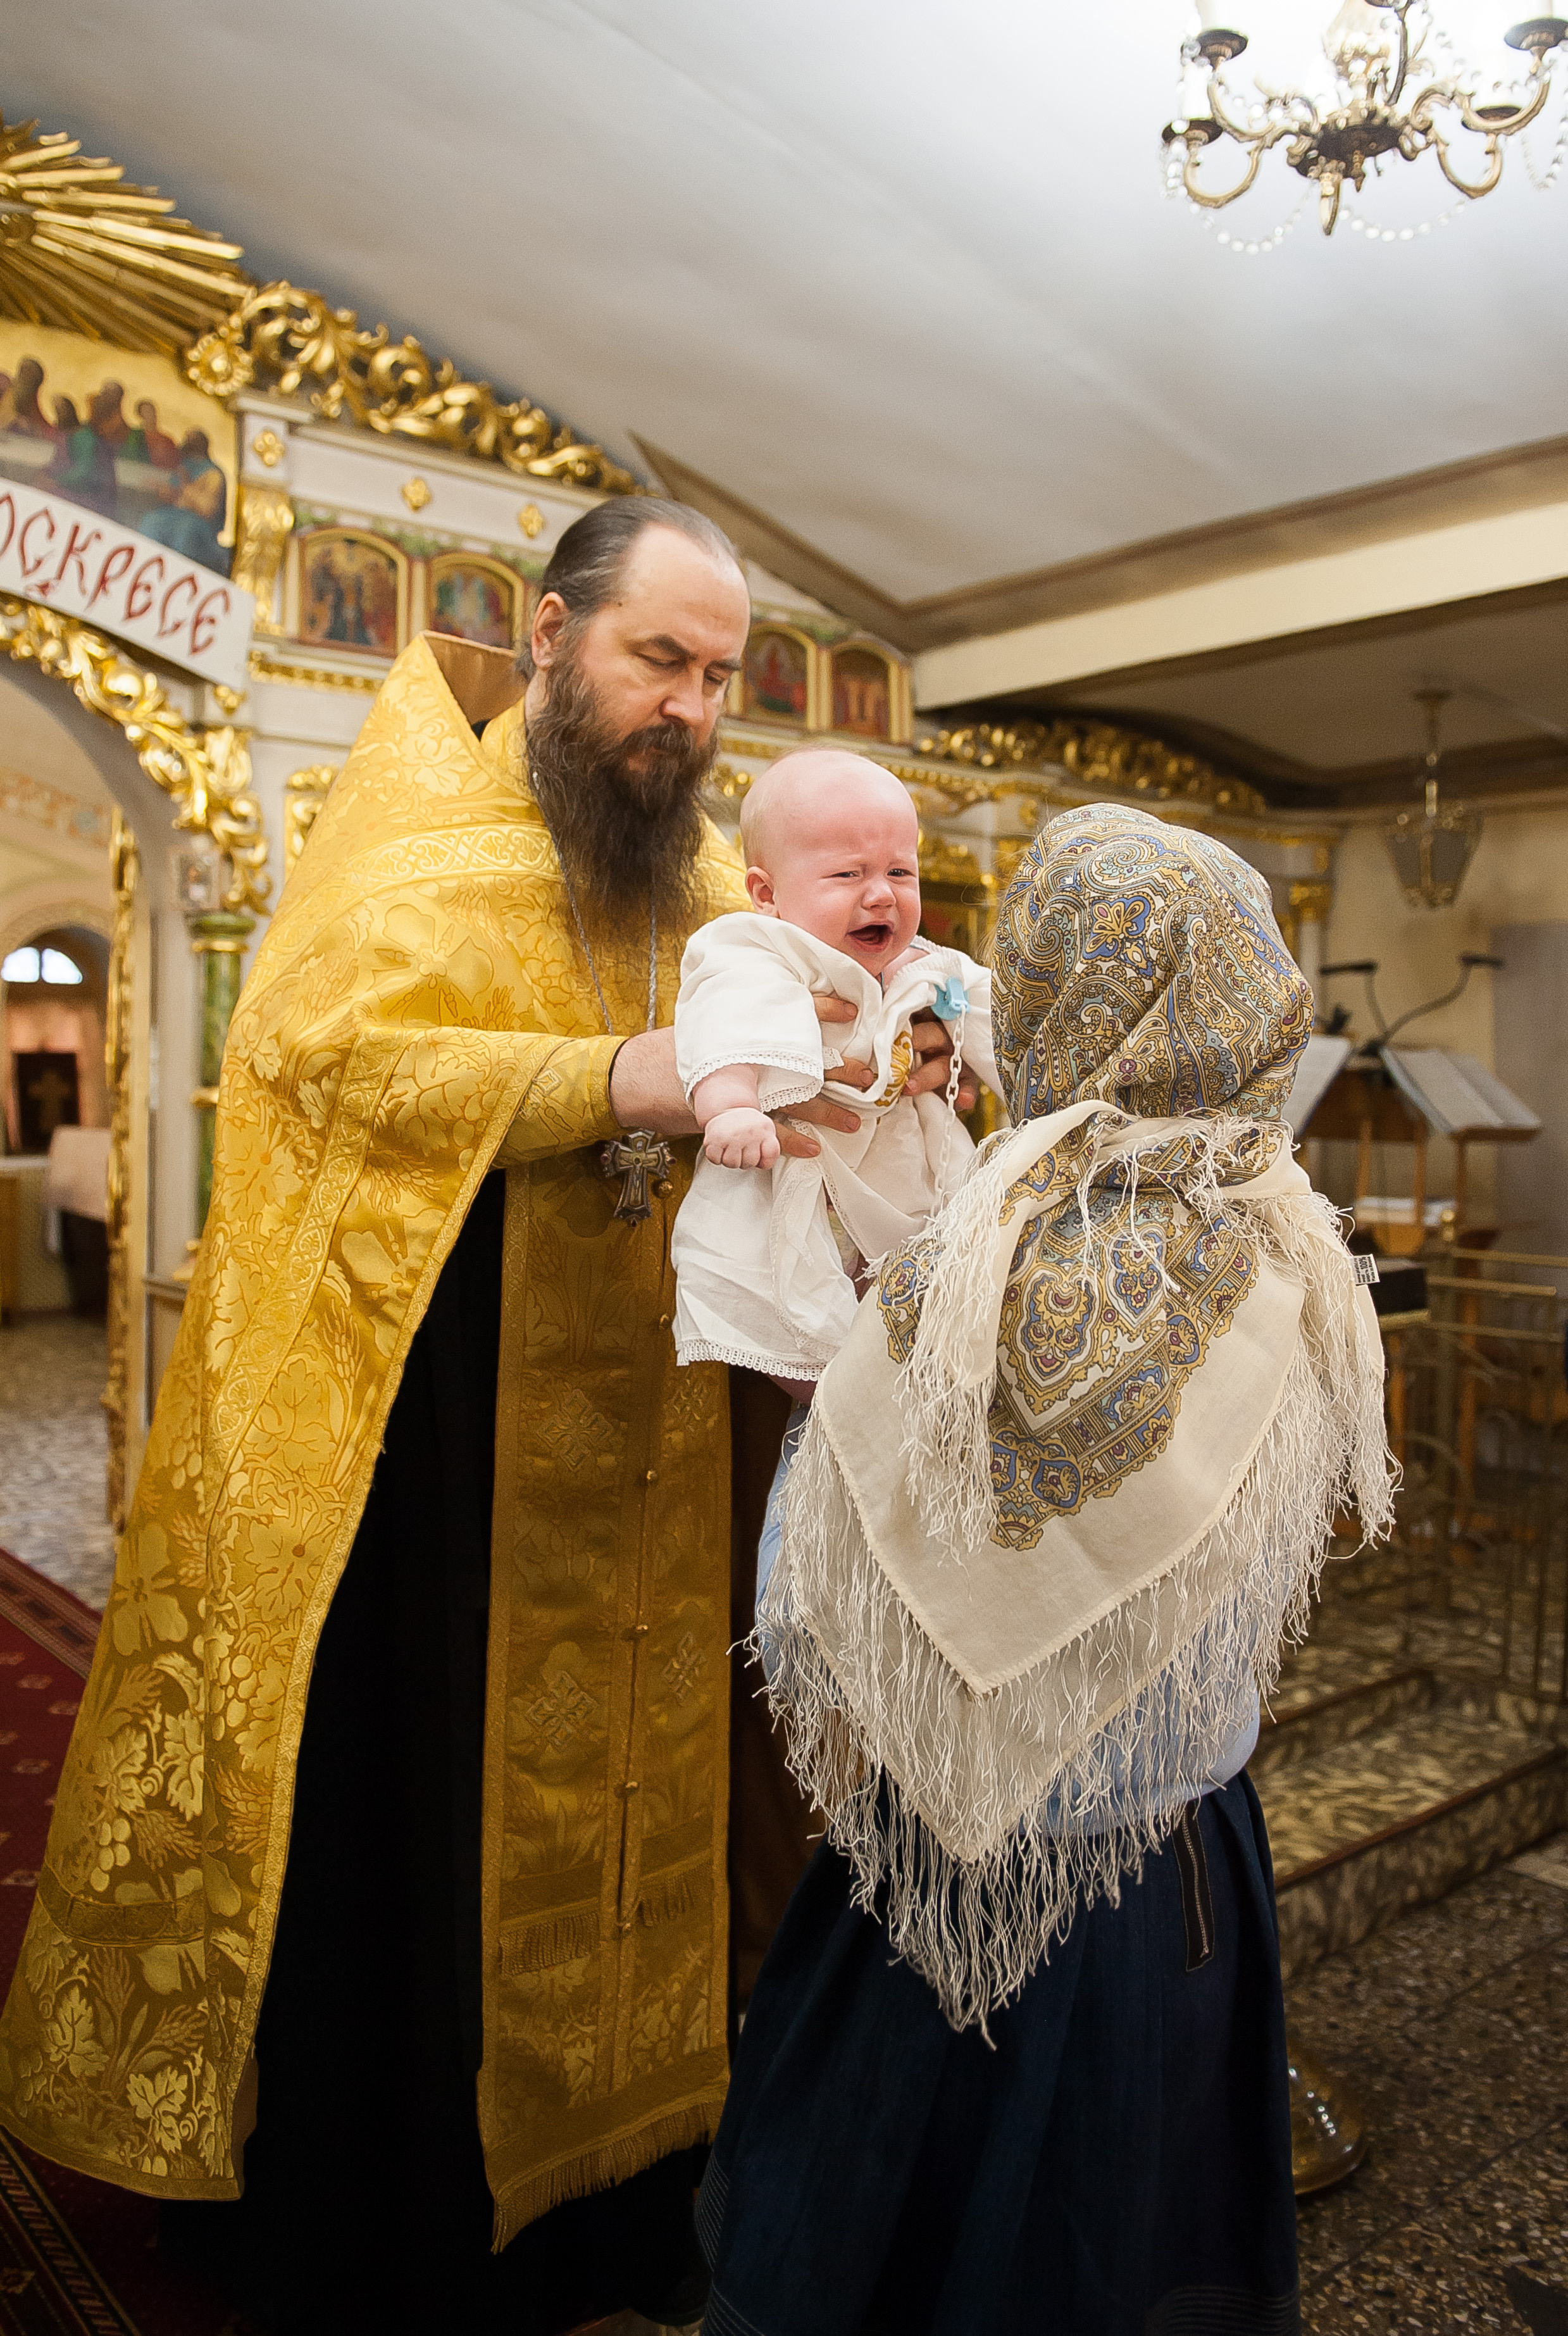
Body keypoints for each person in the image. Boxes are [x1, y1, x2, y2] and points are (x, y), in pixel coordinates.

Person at [0, 497, 968, 2336]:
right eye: (656, 660)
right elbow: (314, 1055)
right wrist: (616, 1076)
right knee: (418, 1842)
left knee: (641, 1840)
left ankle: (613, 2213)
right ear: (549, 635)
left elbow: (780, 1044)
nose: (689, 708)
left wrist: (878, 1057)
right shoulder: (414, 824)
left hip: (646, 1466)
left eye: (718, 675)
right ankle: (398, 2232)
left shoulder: (702, 874)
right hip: (435, 1451)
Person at [699, 803, 1395, 2336]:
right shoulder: (1293, 1252)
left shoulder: (968, 1248)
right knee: (1119, 2242)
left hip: (923, 1877)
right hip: (1165, 1875)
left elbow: (799, 1612)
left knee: (903, 2241)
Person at [672, 747, 998, 1398]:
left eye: (901, 871)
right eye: (848, 873)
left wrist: (1031, 1070)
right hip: (796, 1175)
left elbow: (999, 1017)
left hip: (904, 1176)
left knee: (938, 1315)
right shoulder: (760, 951)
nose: (881, 893)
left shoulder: (925, 962)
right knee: (809, 1341)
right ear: (767, 893)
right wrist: (732, 1104)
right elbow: (723, 1017)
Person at [141, 428, 228, 568]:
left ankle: (176, 571)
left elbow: (208, 509)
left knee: (184, 531)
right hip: (175, 516)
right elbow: (176, 495)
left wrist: (186, 486)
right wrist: (162, 490)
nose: (186, 443)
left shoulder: (212, 473)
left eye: (191, 440)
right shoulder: (185, 466)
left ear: (201, 445)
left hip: (200, 524)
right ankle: (145, 565)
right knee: (151, 520)